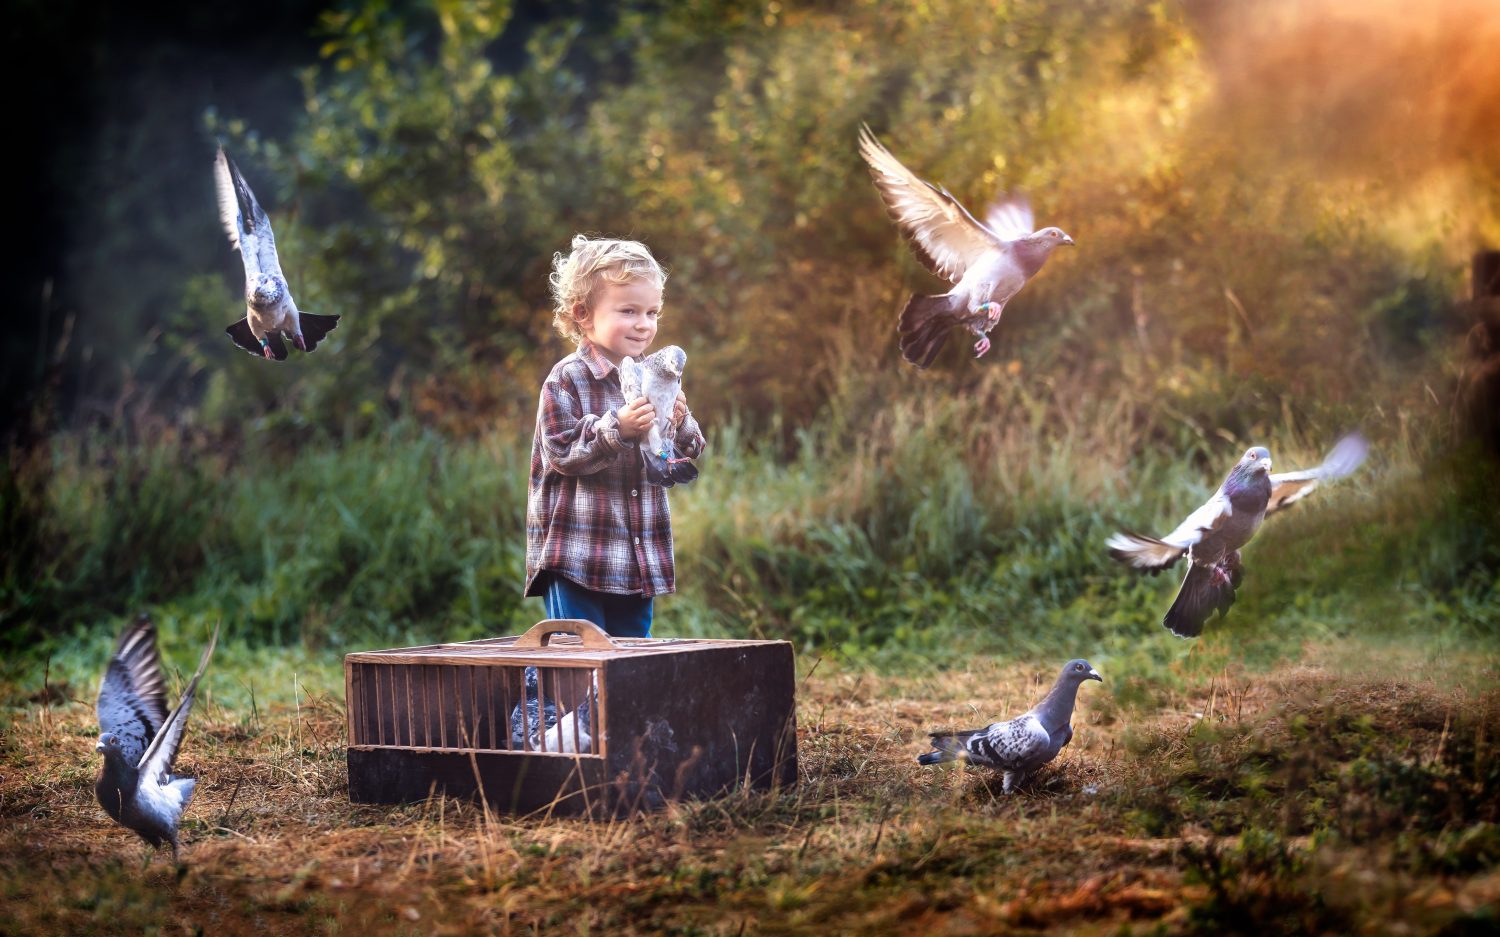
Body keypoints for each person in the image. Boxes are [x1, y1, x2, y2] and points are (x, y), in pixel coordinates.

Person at [523, 235, 705, 637]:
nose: (644, 324)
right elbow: (562, 451)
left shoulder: (656, 374)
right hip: (579, 554)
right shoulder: (566, 378)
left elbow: (683, 449)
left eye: (652, 312)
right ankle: (554, 700)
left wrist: (680, 418)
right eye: (629, 311)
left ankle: (618, 704)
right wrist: (617, 427)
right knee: (579, 651)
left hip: (637, 553)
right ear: (584, 314)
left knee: (629, 657)